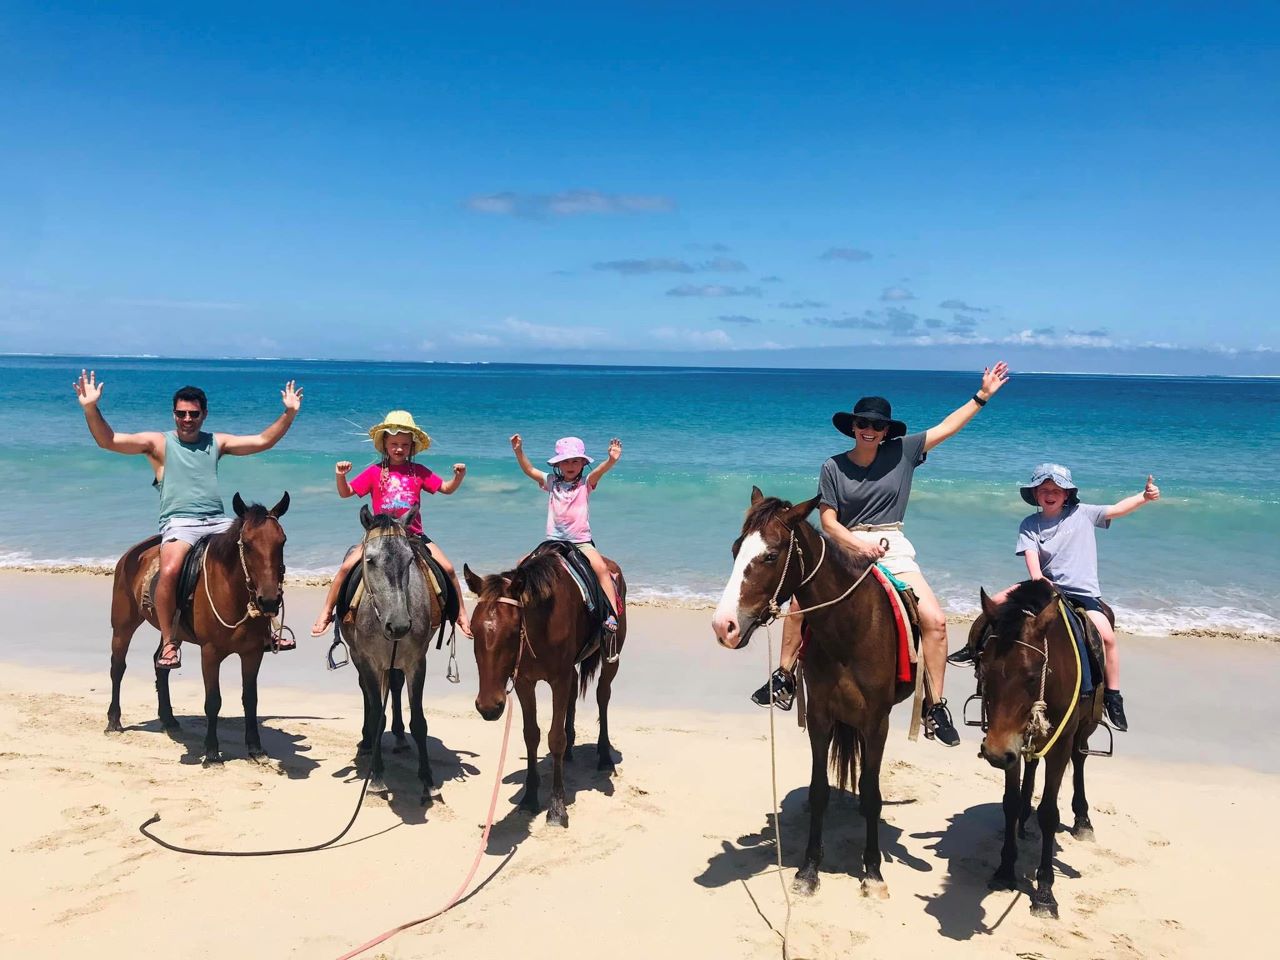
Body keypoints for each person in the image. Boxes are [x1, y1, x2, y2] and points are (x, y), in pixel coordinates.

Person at [749, 363, 1011, 748]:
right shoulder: (833, 466)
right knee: (797, 607)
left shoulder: (904, 452)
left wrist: (982, 395)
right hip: (844, 544)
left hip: (892, 545)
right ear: (852, 427)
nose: (869, 430)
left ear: (887, 430)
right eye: (862, 423)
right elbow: (829, 520)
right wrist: (857, 546)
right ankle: (784, 676)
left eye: (876, 425)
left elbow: (947, 427)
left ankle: (935, 706)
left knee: (935, 622)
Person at [74, 370, 303, 669]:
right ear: (173, 414)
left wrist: (289, 413)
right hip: (179, 523)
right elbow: (109, 440)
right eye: (181, 413)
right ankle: (170, 643)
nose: (187, 419)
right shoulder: (158, 444)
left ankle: (267, 630)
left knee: (258, 556)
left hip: (217, 522)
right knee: (169, 570)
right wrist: (91, 408)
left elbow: (262, 441)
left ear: (204, 414)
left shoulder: (215, 443)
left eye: (193, 414)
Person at [950, 464, 1160, 732]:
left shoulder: (1083, 514)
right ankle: (974, 649)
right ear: (1036, 494)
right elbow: (1031, 556)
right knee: (993, 604)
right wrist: (1038, 578)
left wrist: (1144, 497)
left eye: (1056, 489)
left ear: (1067, 493)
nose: (1050, 493)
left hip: (1081, 593)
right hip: (1043, 586)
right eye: (1044, 489)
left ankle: (1112, 696)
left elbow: (1117, 510)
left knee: (1107, 637)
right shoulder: (1030, 524)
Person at [310, 411, 472, 638]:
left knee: (449, 569)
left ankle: (461, 615)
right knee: (346, 568)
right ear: (384, 444)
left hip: (413, 535)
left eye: (405, 445)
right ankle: (326, 613)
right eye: (394, 443)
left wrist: (459, 476)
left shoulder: (419, 472)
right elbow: (345, 493)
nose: (399, 449)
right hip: (379, 537)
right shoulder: (374, 472)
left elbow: (447, 488)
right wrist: (340, 476)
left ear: (412, 447)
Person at [509, 434, 623, 633]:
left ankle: (611, 613)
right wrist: (518, 451)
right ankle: (516, 610)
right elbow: (529, 470)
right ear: (558, 464)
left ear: (582, 463)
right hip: (552, 542)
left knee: (601, 570)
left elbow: (599, 471)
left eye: (575, 461)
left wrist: (611, 460)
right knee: (521, 564)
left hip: (580, 542)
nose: (570, 465)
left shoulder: (586, 483)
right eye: (566, 461)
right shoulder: (551, 481)